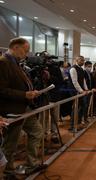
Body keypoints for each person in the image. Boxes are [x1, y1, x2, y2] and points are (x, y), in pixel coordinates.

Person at [0, 38, 46, 177]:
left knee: (37, 132)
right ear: (15, 47)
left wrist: (31, 92)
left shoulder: (15, 62)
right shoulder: (3, 63)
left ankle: (31, 163)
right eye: (25, 50)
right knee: (10, 144)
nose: (26, 54)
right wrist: (24, 94)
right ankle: (8, 172)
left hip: (24, 107)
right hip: (12, 109)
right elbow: (1, 90)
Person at [69, 56, 89, 132]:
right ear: (76, 60)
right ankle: (72, 127)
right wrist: (81, 91)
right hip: (74, 91)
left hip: (80, 91)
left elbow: (83, 80)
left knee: (81, 107)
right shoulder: (73, 69)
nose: (83, 61)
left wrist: (86, 88)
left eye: (83, 60)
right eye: (81, 60)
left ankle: (78, 124)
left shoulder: (81, 69)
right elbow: (74, 82)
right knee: (75, 109)